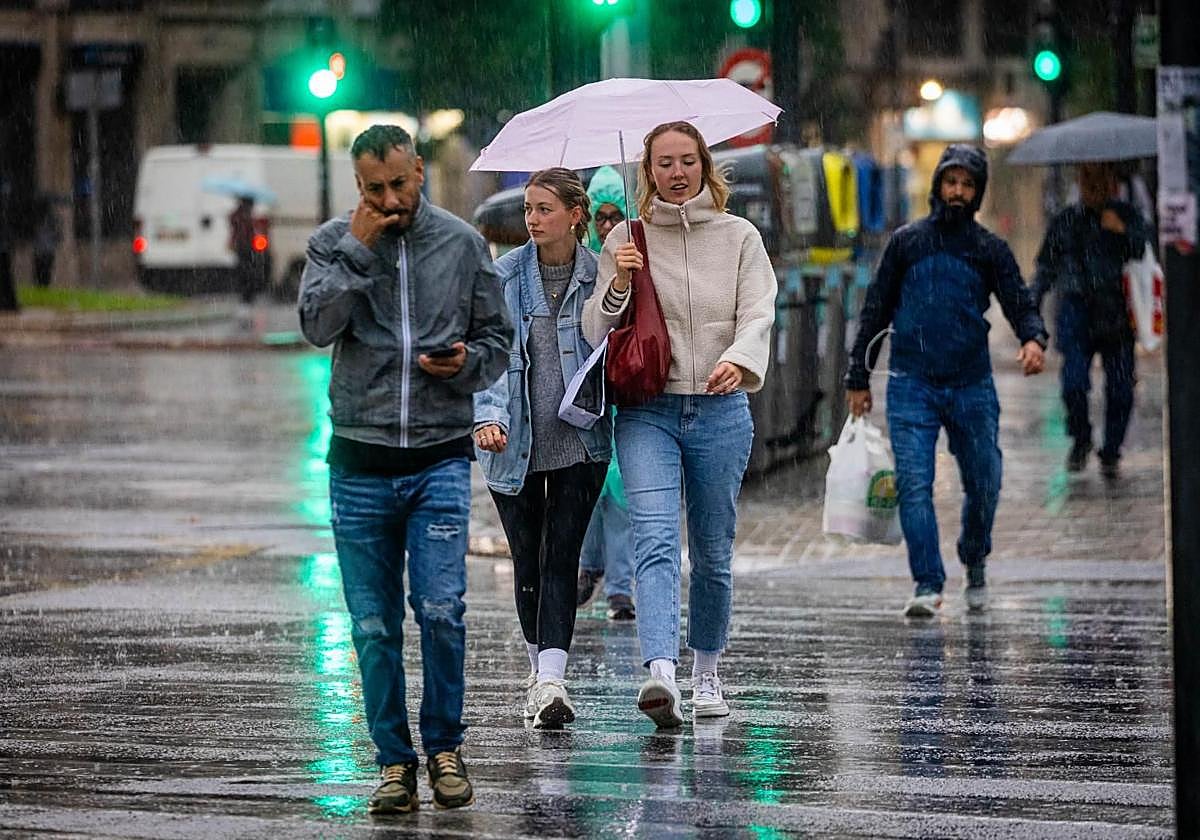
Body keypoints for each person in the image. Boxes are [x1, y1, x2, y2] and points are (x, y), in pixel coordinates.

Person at [298, 124, 512, 815]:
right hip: (359, 464)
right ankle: (394, 762)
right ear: (357, 185)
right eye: (374, 189)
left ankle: (445, 747)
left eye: (398, 183)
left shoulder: (462, 243)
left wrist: (466, 365)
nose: (389, 200)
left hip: (437, 457)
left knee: (442, 609)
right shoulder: (334, 243)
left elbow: (497, 339)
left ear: (418, 170)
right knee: (373, 625)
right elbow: (317, 325)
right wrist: (358, 251)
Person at [583, 121, 777, 728]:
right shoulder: (626, 237)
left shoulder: (740, 237)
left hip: (720, 410)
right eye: (663, 163)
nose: (676, 172)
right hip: (649, 411)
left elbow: (759, 311)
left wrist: (739, 360)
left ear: (704, 166)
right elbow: (595, 329)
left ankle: (707, 673)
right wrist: (619, 279)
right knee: (656, 538)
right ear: (648, 171)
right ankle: (661, 672)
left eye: (687, 160)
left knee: (713, 551)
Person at [845, 144, 1048, 619]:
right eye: (951, 181)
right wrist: (857, 376)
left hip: (971, 384)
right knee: (914, 485)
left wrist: (1033, 338)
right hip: (911, 383)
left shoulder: (989, 249)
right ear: (938, 185)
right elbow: (875, 310)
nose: (957, 191)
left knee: (985, 481)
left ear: (978, 192)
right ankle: (927, 583)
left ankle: (974, 556)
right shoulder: (906, 243)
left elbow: (1019, 301)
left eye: (967, 184)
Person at [474, 167, 611, 729]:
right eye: (528, 209)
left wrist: (622, 282)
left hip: (580, 439)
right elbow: (488, 355)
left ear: (576, 215)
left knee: (562, 555)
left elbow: (615, 342)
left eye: (544, 209)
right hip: (514, 441)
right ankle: (538, 671)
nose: (532, 219)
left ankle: (553, 679)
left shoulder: (603, 274)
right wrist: (487, 417)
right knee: (527, 557)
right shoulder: (503, 276)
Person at [1032, 161, 1150, 478]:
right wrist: (1030, 307)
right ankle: (1081, 437)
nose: (1093, 186)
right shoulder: (1066, 220)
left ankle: (1111, 450)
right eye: (1086, 178)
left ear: (1112, 182)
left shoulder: (1126, 215)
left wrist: (1123, 231)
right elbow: (1045, 266)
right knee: (1073, 384)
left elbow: (1144, 250)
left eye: (1099, 178)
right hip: (1076, 310)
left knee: (1121, 389)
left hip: (1116, 312)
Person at [577, 164, 636, 622]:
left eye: (617, 216)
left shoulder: (636, 257)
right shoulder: (581, 265)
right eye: (602, 217)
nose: (609, 226)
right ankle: (590, 565)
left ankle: (619, 587)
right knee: (590, 485)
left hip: (625, 387)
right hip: (588, 390)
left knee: (621, 490)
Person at [228, 195, 260, 306]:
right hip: (245, 247)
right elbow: (241, 230)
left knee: (245, 270)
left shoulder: (241, 215)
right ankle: (247, 295)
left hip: (244, 246)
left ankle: (246, 295)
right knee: (247, 270)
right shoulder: (243, 215)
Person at [32, 194, 61, 288]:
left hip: (42, 250)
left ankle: (41, 285)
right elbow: (58, 235)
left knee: (41, 271)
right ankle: (43, 285)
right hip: (46, 250)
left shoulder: (40, 219)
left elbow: (58, 235)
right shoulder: (51, 220)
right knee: (44, 271)